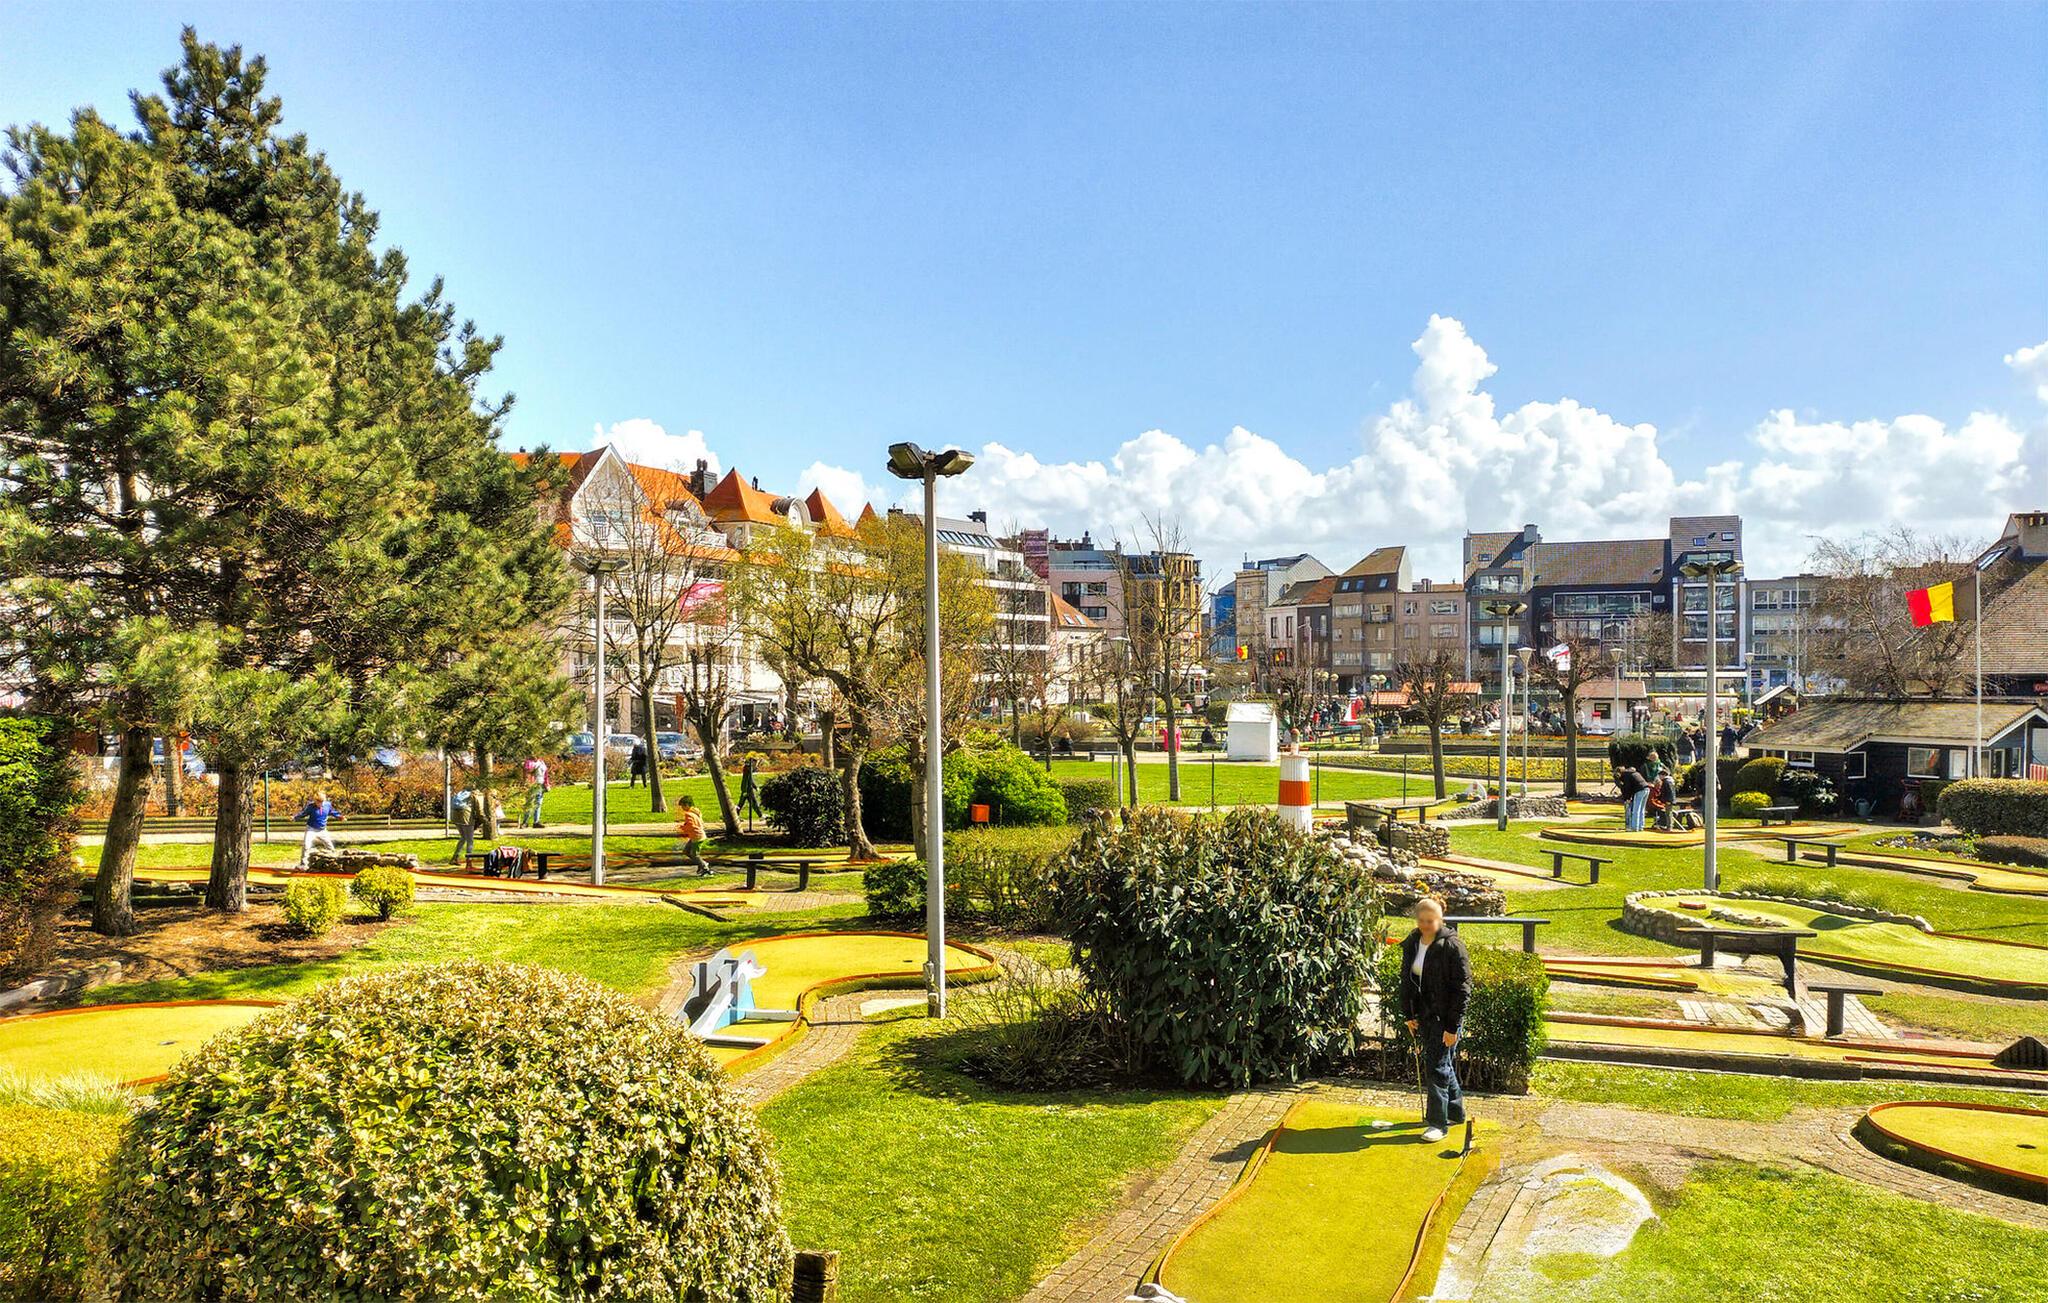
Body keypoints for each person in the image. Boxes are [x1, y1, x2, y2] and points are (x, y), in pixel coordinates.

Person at [1398, 896, 1471, 1144]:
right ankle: (1455, 1112)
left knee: (1436, 1067)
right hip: (1425, 1014)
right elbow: (1407, 980)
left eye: (1431, 921)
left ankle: (1437, 1124)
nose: (1426, 925)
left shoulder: (1453, 946)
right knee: (1443, 1064)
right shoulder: (1412, 942)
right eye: (1422, 920)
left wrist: (1452, 1027)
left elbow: (1462, 989)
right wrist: (1408, 1014)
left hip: (1446, 1016)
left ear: (1441, 919)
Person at [295, 790, 341, 867]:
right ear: (315, 801)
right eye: (318, 802)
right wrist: (295, 817)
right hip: (311, 829)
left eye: (322, 802)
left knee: (330, 846)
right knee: (306, 845)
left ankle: (335, 862)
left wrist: (340, 817)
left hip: (322, 830)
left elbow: (332, 812)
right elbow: (303, 814)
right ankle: (303, 864)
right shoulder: (311, 806)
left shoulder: (327, 805)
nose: (320, 804)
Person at [676, 794, 710, 876]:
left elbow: (691, 826)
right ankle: (700, 864)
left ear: (687, 805)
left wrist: (682, 828)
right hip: (696, 836)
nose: (682, 808)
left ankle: (704, 867)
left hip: (697, 837)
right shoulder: (695, 812)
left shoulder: (688, 814)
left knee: (694, 855)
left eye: (682, 806)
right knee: (686, 851)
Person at [450, 787, 479, 866]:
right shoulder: (474, 795)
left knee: (463, 837)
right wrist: (483, 819)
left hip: (456, 817)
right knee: (470, 840)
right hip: (466, 817)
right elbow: (479, 809)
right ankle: (469, 862)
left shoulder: (460, 793)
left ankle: (455, 857)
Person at [1617, 764, 1649, 832]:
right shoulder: (1632, 773)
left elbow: (1628, 788)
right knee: (1641, 809)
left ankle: (1634, 827)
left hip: (1639, 790)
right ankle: (1641, 826)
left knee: (1636, 810)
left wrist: (1627, 798)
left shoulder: (1626, 775)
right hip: (1646, 788)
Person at [521, 755, 550, 828]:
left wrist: (546, 783)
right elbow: (526, 773)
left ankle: (536, 821)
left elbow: (545, 774)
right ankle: (525, 822)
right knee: (529, 803)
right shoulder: (528, 762)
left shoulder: (542, 762)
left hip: (540, 784)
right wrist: (526, 784)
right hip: (532, 785)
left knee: (538, 803)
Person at [737, 756, 764, 822]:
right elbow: (746, 780)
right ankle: (760, 816)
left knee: (741, 804)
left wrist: (755, 787)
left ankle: (735, 816)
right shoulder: (748, 768)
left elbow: (750, 779)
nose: (756, 765)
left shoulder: (748, 768)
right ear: (753, 762)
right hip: (748, 789)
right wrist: (745, 790)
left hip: (746, 789)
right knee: (753, 803)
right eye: (755, 763)